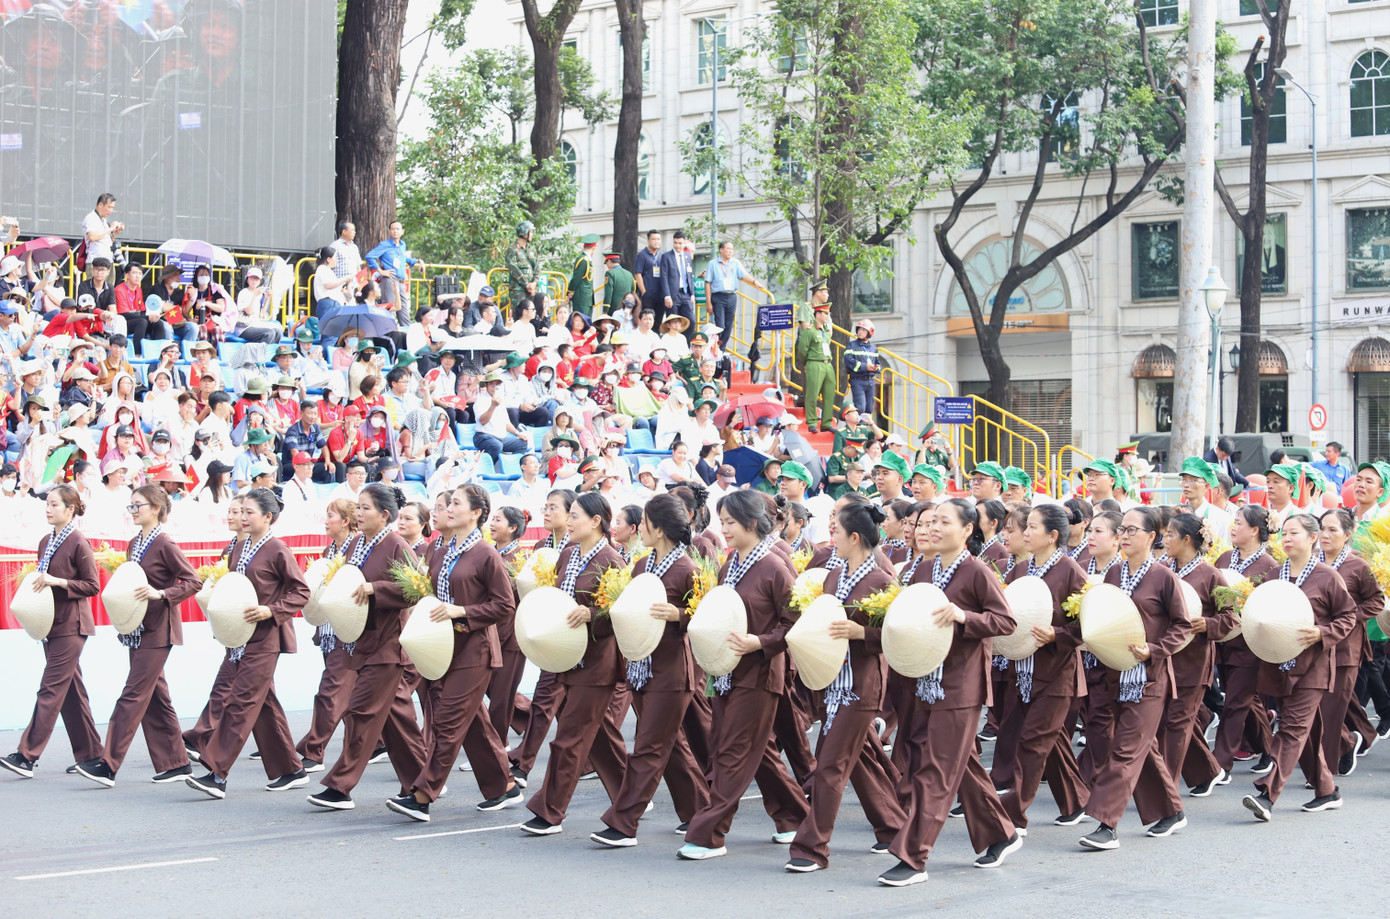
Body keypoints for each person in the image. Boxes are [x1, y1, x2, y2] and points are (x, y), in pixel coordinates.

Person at [878, 499, 1020, 886]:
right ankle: (1000, 833)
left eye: (944, 521)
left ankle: (913, 856)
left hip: (960, 686)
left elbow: (1006, 621)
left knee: (935, 771)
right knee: (959, 765)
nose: (933, 528)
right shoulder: (925, 567)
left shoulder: (976, 571)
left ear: (967, 530)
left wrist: (964, 617)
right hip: (927, 679)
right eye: (931, 521)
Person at [677, 490, 810, 860]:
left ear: (753, 523)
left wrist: (761, 642)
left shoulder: (775, 568)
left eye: (730, 522)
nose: (724, 529)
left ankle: (708, 834)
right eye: (722, 522)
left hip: (760, 673)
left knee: (731, 752)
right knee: (755, 750)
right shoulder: (729, 564)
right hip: (727, 673)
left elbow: (796, 621)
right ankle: (794, 816)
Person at [785, 501, 907, 873]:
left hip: (862, 686)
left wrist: (863, 633)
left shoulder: (883, 580)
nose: (830, 536)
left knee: (832, 765)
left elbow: (900, 636)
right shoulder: (834, 576)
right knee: (861, 762)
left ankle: (811, 847)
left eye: (836, 530)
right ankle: (894, 828)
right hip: (832, 682)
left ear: (855, 537)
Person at [591, 494, 711, 846]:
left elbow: (708, 618)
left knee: (647, 747)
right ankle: (701, 814)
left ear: (659, 529)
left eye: (644, 523)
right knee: (670, 746)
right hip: (642, 667)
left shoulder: (689, 569)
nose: (639, 528)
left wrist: (680, 616)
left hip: (673, 672)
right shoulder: (641, 566)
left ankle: (623, 822)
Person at [308, 485, 430, 811]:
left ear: (384, 515)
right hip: (362, 642)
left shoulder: (397, 545)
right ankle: (423, 785)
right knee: (394, 722)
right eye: (358, 508)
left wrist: (374, 588)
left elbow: (416, 591)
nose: (359, 514)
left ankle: (339, 787)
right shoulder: (358, 544)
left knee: (360, 713)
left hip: (387, 645)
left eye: (366, 508)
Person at [185, 489, 311, 799]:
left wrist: (271, 610)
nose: (242, 517)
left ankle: (216, 772)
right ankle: (289, 770)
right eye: (240, 511)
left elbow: (301, 591)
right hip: (241, 637)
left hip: (266, 636)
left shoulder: (278, 549)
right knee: (263, 705)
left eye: (249, 512)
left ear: (268, 517)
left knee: (241, 702)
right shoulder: (240, 548)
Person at [74, 485, 200, 788]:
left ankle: (108, 763)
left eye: (138, 505)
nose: (133, 511)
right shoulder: (134, 544)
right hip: (139, 629)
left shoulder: (165, 544)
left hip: (159, 630)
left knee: (132, 695)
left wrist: (162, 593)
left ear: (156, 508)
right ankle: (176, 763)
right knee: (157, 698)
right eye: (130, 506)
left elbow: (193, 580)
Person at [1079, 506, 1189, 850]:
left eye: (1132, 531)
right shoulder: (1113, 575)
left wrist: (1154, 650)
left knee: (1126, 750)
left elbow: (1182, 626)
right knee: (1137, 747)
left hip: (1149, 678)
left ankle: (1106, 823)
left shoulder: (1164, 577)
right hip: (1115, 673)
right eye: (1122, 530)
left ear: (1152, 537)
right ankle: (1170, 810)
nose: (1125, 537)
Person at [518, 493, 627, 835]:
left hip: (596, 663)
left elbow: (621, 614)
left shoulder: (613, 561)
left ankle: (549, 811)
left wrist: (592, 614)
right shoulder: (567, 554)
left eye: (576, 515)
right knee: (599, 739)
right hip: (566, 658)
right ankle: (633, 796)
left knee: (568, 738)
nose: (569, 521)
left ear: (596, 521)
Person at [1241, 514, 1356, 821]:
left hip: (1314, 666)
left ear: (1312, 537)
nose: (1288, 539)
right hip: (1281, 664)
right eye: (1285, 534)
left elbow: (1348, 616)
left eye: (1295, 533)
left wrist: (1322, 633)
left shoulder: (1328, 576)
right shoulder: (1275, 575)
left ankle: (1267, 794)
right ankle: (1327, 790)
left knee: (1291, 728)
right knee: (1307, 732)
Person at [1, 486, 104, 779]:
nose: (48, 509)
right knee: (71, 693)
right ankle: (93, 755)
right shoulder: (46, 540)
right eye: (47, 504)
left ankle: (26, 755)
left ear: (70, 509)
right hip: (50, 623)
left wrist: (57, 582)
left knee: (50, 689)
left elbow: (92, 586)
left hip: (72, 625)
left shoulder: (78, 541)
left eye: (54, 504)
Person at [1155, 513, 1225, 797]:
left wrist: (1208, 623)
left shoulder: (1212, 575)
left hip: (1193, 662)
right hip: (1162, 657)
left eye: (1170, 534)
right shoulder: (1159, 569)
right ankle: (1208, 771)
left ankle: (1165, 791)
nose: (1164, 540)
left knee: (1178, 723)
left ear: (1187, 540)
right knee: (1167, 720)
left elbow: (1233, 616)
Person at [1317, 509, 1382, 777]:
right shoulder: (1312, 563)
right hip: (1316, 646)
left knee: (1332, 708)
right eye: (1323, 528)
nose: (1326, 534)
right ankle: (1354, 738)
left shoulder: (1358, 566)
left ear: (1348, 534)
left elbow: (1376, 601)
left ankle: (1325, 772)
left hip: (1346, 647)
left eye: (1333, 529)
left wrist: (1348, 617)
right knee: (1324, 703)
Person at [294, 499, 357, 772]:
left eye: (330, 515)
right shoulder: (329, 549)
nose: (326, 520)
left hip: (349, 632)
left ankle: (313, 750)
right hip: (330, 631)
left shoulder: (357, 548)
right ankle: (378, 741)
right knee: (351, 696)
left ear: (345, 520)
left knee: (330, 692)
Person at [704, 241, 763, 350]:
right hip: (718, 296)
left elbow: (744, 275)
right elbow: (707, 283)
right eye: (728, 249)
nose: (730, 251)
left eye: (732, 249)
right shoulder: (713, 263)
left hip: (731, 296)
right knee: (720, 326)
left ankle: (722, 348)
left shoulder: (735, 263)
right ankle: (716, 349)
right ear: (721, 250)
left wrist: (755, 282)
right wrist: (708, 303)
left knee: (729, 325)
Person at [365, 220, 422, 312]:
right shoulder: (384, 245)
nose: (395, 231)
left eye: (397, 229)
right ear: (389, 231)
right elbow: (369, 256)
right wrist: (381, 271)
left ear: (402, 231)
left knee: (404, 311)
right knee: (390, 309)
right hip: (390, 279)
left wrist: (419, 261)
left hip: (401, 281)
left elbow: (403, 259)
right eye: (392, 229)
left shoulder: (402, 245)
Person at [796, 302, 836, 433]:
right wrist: (806, 363)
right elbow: (802, 350)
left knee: (829, 393)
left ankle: (826, 422)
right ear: (817, 314)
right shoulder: (810, 330)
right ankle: (812, 421)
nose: (827, 316)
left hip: (827, 363)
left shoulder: (826, 331)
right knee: (812, 394)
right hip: (815, 363)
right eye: (825, 313)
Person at [844, 319, 880, 414]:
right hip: (857, 380)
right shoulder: (851, 346)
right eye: (859, 329)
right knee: (860, 407)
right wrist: (865, 367)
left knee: (869, 408)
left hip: (870, 381)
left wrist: (876, 368)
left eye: (863, 330)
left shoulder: (873, 349)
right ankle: (860, 426)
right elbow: (849, 361)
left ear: (869, 332)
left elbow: (877, 362)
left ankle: (864, 425)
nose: (860, 332)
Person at [634, 230, 665, 326]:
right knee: (647, 320)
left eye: (658, 239)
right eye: (654, 239)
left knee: (658, 321)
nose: (656, 241)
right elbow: (637, 274)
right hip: (648, 294)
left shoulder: (661, 255)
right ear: (648, 240)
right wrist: (644, 292)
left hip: (660, 294)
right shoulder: (642, 255)